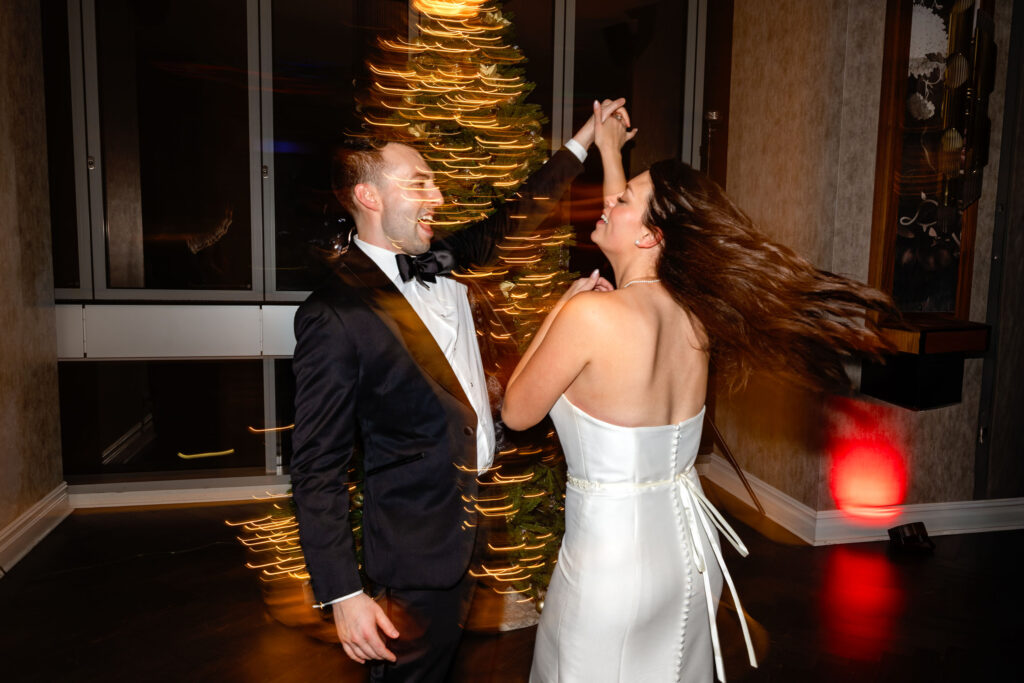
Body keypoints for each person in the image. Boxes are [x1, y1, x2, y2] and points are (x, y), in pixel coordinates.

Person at [502, 102, 895, 682]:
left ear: (652, 234)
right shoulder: (693, 314)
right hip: (688, 551)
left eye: (622, 200)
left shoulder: (589, 315)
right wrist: (613, 155)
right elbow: (633, 260)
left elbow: (515, 411)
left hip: (612, 565)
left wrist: (560, 306)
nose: (607, 202)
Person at [289, 98, 634, 683]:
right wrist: (343, 594)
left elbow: (517, 215)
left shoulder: (439, 257)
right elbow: (316, 466)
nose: (439, 198)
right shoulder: (336, 313)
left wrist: (584, 142)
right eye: (419, 184)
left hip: (468, 531)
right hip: (414, 554)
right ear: (370, 198)